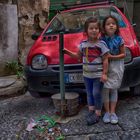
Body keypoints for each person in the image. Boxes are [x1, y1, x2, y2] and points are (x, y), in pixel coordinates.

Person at [63, 17, 109, 125]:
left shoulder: (102, 44)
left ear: (99, 30)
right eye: (91, 28)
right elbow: (77, 56)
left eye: (96, 28)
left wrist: (104, 74)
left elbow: (106, 60)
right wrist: (67, 52)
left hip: (98, 75)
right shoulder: (83, 44)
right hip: (87, 75)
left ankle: (97, 113)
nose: (94, 30)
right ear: (86, 31)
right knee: (89, 93)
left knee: (96, 93)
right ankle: (91, 111)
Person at [101, 16, 125, 124]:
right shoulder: (101, 39)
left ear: (116, 26)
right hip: (104, 65)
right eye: (108, 24)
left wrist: (111, 57)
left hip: (116, 65)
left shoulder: (119, 39)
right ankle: (107, 112)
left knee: (114, 88)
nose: (111, 25)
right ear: (104, 27)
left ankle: (113, 112)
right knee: (105, 88)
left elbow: (123, 54)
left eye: (113, 23)